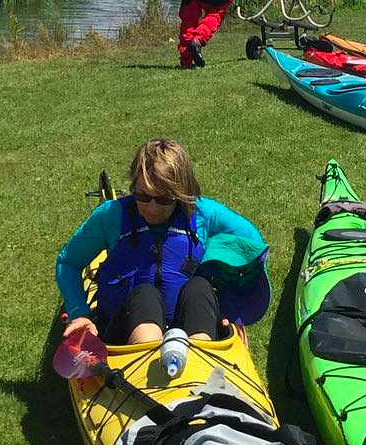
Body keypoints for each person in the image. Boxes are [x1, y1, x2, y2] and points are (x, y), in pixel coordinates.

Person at [56, 139, 269, 346]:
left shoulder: (203, 213)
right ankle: (146, 359)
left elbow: (252, 245)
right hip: (124, 337)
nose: (152, 208)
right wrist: (79, 313)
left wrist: (232, 307)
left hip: (189, 329)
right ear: (133, 187)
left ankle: (202, 360)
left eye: (165, 199)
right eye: (143, 196)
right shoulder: (111, 216)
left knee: (200, 287)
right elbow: (68, 262)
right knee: (145, 294)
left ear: (182, 193)